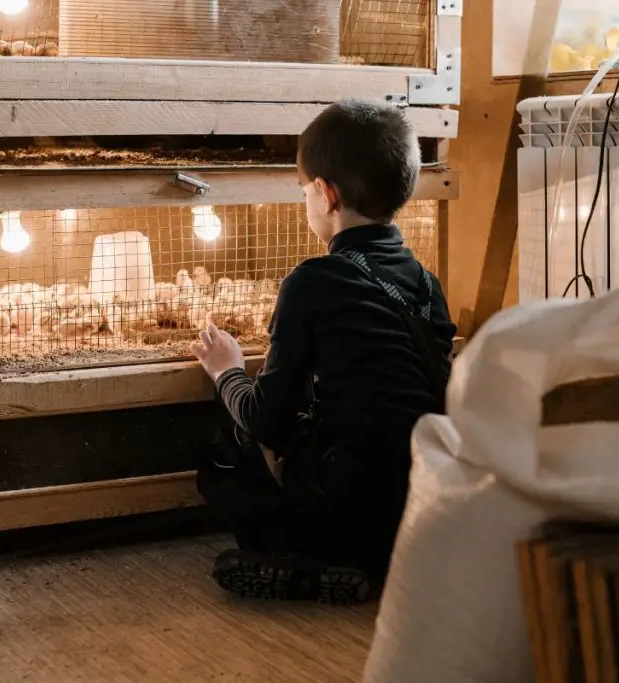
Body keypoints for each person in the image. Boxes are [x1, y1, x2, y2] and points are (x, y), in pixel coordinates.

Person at [191, 99, 457, 604]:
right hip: (426, 498)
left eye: (303, 189)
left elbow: (263, 419)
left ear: (326, 194)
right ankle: (369, 558)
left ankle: (306, 556)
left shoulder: (313, 281)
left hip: (348, 499)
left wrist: (228, 371)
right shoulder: (426, 282)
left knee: (224, 448)